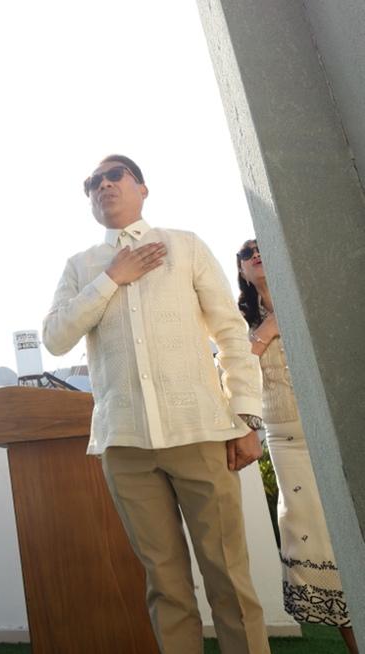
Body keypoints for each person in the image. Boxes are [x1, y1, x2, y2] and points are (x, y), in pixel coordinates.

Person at [42, 155, 269, 654]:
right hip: (126, 445)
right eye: (92, 183)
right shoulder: (82, 267)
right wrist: (111, 278)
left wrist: (247, 417)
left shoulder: (185, 246)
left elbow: (231, 333)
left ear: (143, 188)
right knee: (165, 586)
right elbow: (55, 338)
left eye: (113, 175)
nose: (102, 186)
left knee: (230, 580)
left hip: (202, 434)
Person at [237, 238, 358, 652]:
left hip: (336, 432)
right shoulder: (238, 326)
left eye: (260, 246)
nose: (255, 252)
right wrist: (266, 331)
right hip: (287, 443)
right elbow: (234, 372)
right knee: (320, 543)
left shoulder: (310, 300)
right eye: (246, 252)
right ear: (242, 272)